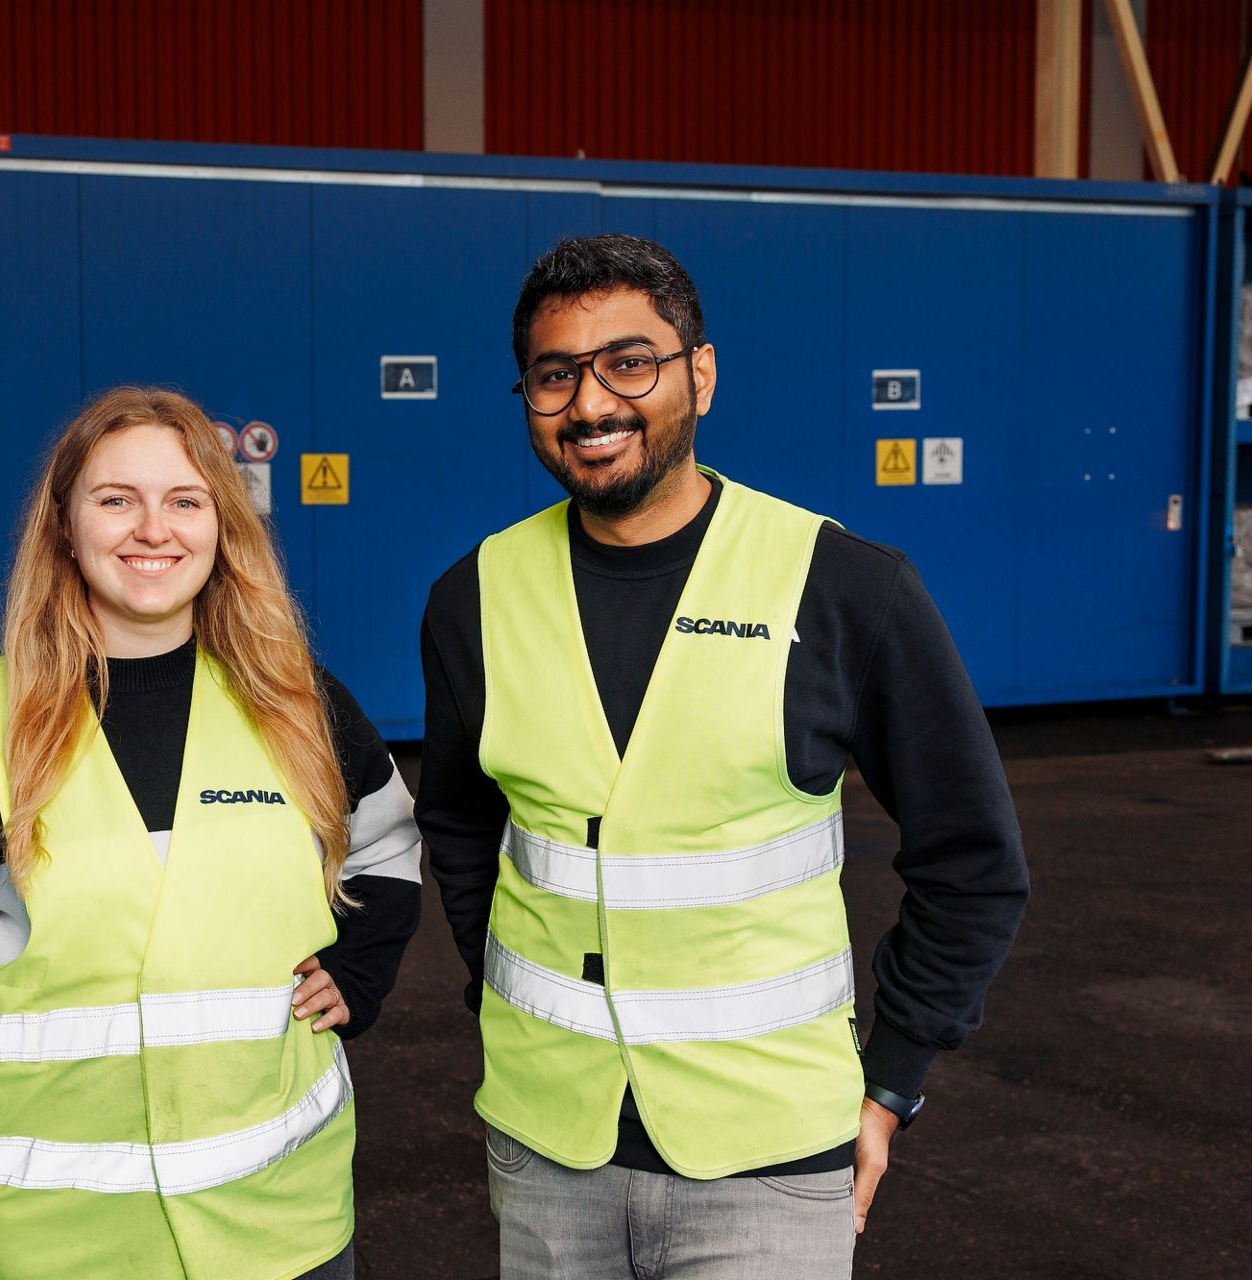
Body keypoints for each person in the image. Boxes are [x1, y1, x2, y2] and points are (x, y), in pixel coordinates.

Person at [418, 234, 1029, 1279]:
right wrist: (508, 1000)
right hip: (547, 1146)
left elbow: (973, 859)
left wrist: (890, 1080)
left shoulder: (844, 587)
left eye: (630, 361)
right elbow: (466, 828)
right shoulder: (472, 596)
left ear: (700, 372)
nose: (592, 403)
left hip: (769, 1158)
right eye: (556, 374)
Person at [0, 387, 422, 1280]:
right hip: (61, 1247)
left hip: (283, 1230)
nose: (152, 529)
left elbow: (388, 839)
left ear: (223, 523)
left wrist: (360, 968)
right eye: (115, 499)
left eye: (184, 500)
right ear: (63, 525)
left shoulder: (294, 701)